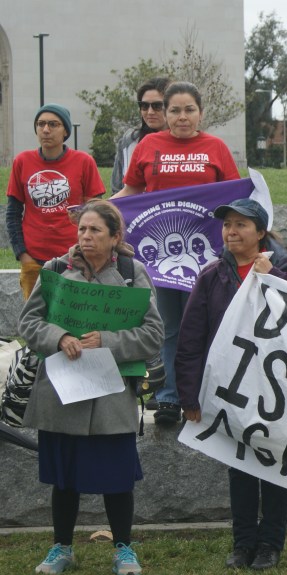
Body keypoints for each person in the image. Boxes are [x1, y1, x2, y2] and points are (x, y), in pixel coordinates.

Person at [19, 200, 163, 575]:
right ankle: (61, 548)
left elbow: (153, 333)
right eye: (82, 229)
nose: (86, 237)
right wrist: (59, 336)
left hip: (111, 395)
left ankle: (124, 550)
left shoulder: (133, 274)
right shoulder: (55, 271)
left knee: (117, 478)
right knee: (64, 478)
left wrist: (109, 342)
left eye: (95, 230)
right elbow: (29, 323)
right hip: (63, 394)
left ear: (116, 237)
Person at [176, 199, 287, 571]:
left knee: (274, 464)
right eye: (227, 225)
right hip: (229, 389)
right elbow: (191, 338)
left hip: (276, 388)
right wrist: (189, 395)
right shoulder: (211, 275)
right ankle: (242, 544)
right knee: (238, 466)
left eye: (241, 224)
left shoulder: (284, 266)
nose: (232, 232)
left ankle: (271, 543)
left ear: (260, 232)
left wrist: (274, 277)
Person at [112, 81, 241, 426]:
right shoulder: (148, 145)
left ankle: (202, 394)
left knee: (206, 325)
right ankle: (168, 396)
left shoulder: (216, 148)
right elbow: (132, 190)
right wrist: (100, 209)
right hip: (159, 258)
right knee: (168, 326)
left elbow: (234, 197)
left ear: (200, 112)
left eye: (189, 110)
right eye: (174, 110)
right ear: (165, 113)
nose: (182, 117)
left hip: (207, 255)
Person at [6, 104, 105, 298]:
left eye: (53, 124)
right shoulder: (22, 161)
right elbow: (12, 213)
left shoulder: (84, 161)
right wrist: (22, 255)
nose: (46, 130)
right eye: (40, 124)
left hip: (75, 257)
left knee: (75, 319)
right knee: (36, 321)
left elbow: (97, 212)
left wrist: (87, 251)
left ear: (65, 130)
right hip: (33, 259)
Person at [110, 76, 170, 193]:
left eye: (157, 106)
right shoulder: (129, 141)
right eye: (144, 106)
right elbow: (117, 189)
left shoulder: (186, 142)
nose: (150, 112)